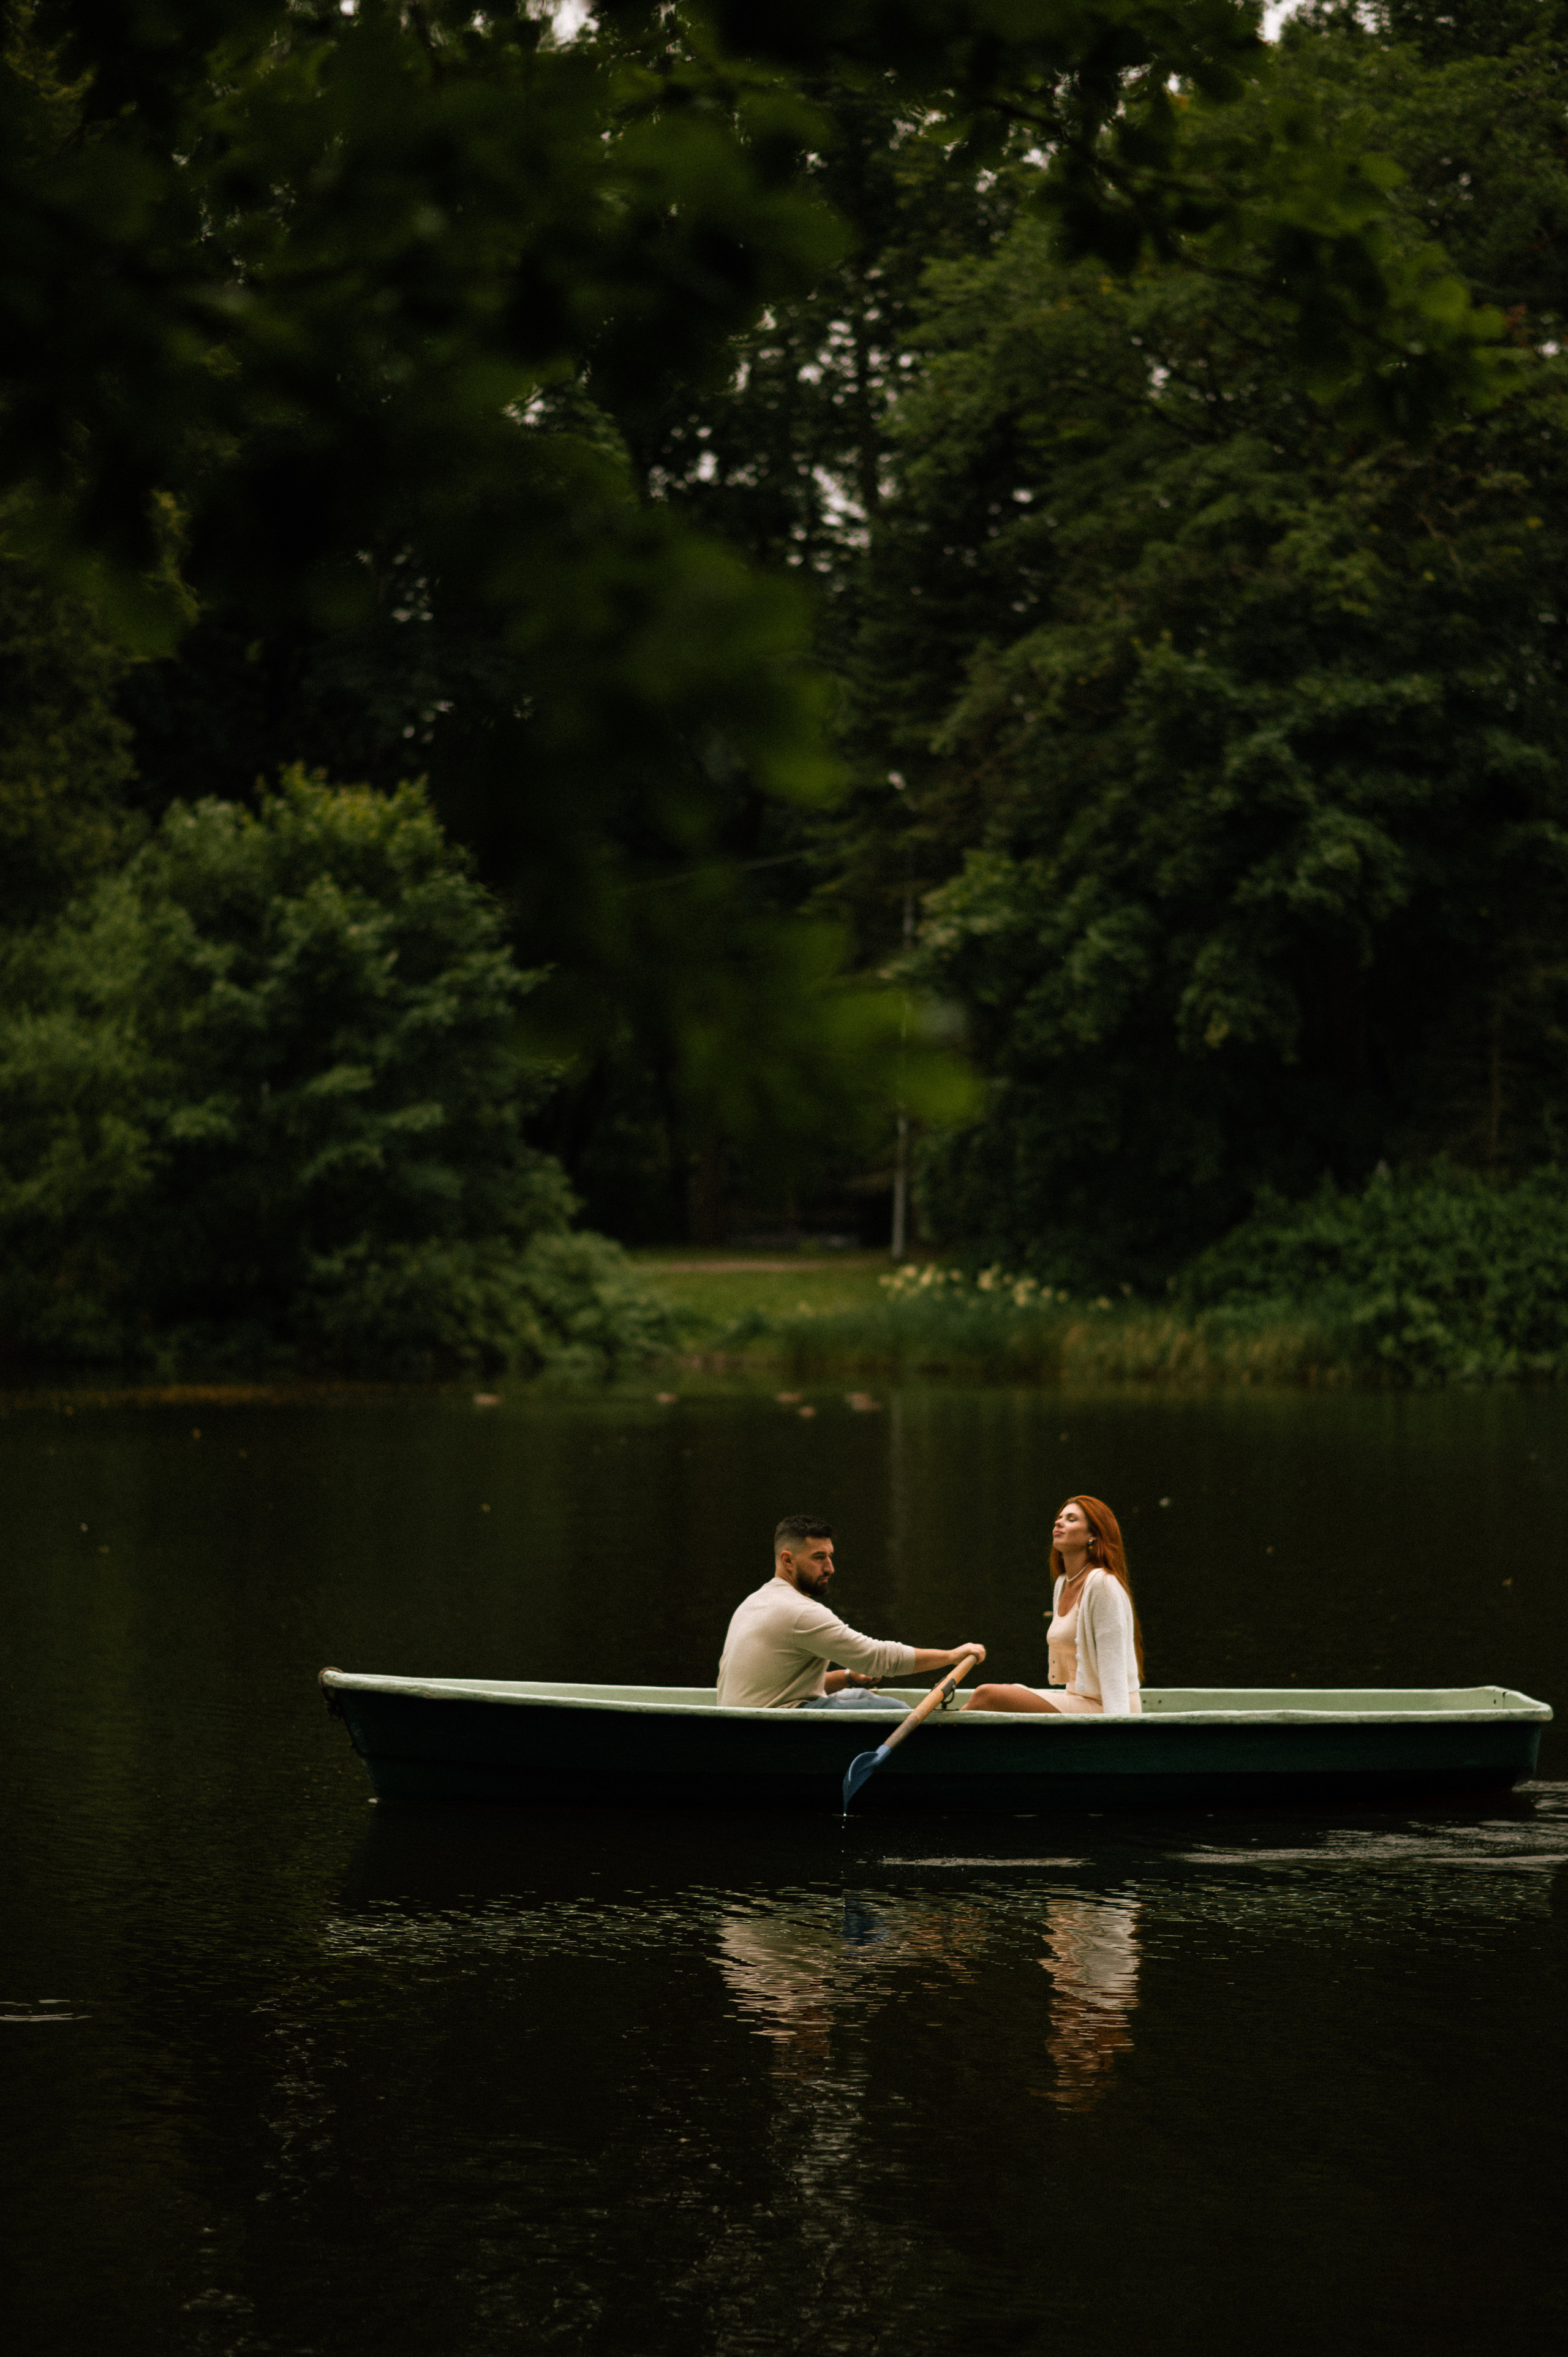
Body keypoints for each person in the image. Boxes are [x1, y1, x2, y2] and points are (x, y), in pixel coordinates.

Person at [717, 1515, 986, 1711]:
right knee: (894, 1710)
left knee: (857, 1694)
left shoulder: (754, 1602)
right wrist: (951, 1656)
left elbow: (782, 1683)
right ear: (788, 1560)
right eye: (819, 1557)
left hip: (750, 1715)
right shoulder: (800, 1613)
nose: (830, 1568)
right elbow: (877, 1658)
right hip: (773, 1726)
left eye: (830, 1556)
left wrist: (848, 1677)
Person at [963, 1494, 1143, 1716]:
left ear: (1093, 1536)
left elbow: (1114, 1667)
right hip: (1077, 1702)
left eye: (1071, 1519)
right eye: (1060, 1518)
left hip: (1108, 1709)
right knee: (990, 1698)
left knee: (987, 1696)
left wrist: (1120, 1731)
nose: (1059, 1522)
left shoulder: (1103, 1585)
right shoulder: (1063, 1583)